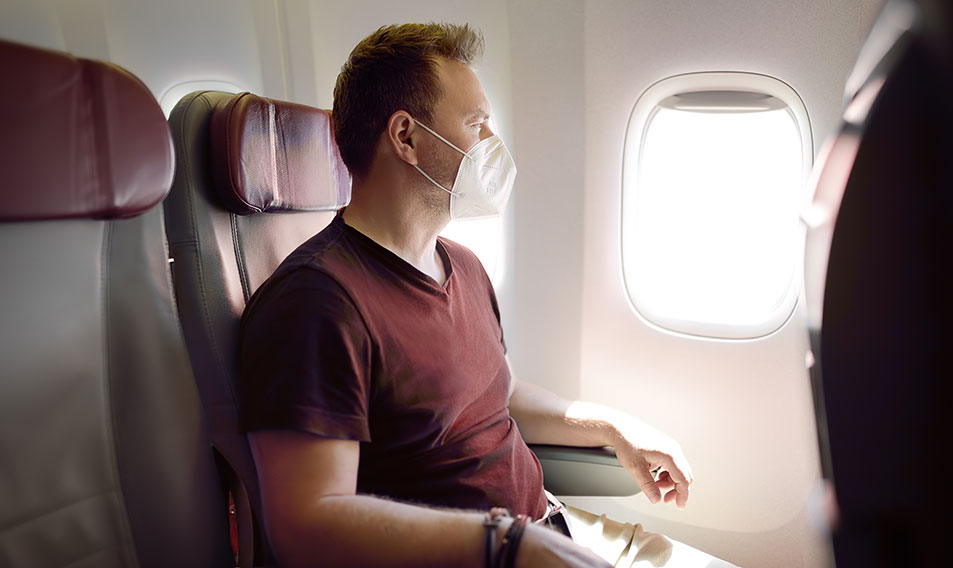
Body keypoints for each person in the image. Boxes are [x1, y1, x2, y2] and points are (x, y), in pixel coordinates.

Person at [239, 22, 727, 568]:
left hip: (550, 528)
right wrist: (509, 546)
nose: (494, 145)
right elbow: (306, 525)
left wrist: (616, 428)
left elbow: (505, 392)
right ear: (406, 137)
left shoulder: (463, 266)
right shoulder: (317, 303)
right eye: (477, 125)